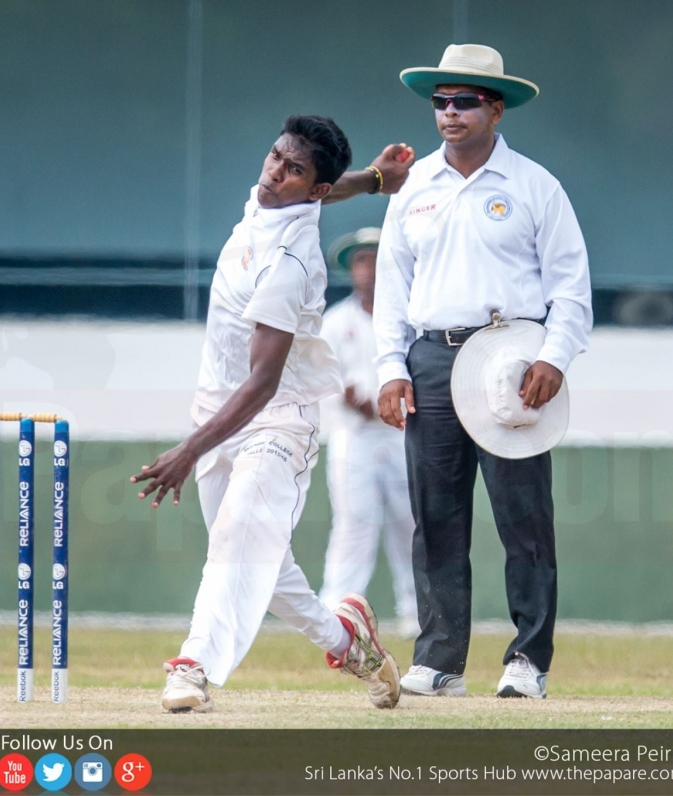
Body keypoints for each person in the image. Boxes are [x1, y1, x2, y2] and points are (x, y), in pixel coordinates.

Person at [132, 116, 413, 713]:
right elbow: (321, 190)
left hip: (276, 418)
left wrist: (188, 451)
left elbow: (262, 384)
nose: (274, 174)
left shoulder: (290, 261)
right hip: (218, 413)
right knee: (263, 564)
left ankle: (192, 667)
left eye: (293, 170)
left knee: (237, 536)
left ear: (312, 187)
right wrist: (374, 179)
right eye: (276, 157)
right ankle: (350, 643)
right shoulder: (272, 200)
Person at [367, 44, 591, 699]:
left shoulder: (534, 186)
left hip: (511, 356)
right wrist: (390, 366)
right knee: (435, 517)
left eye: (465, 101)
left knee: (524, 518)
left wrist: (554, 356)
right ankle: (439, 660)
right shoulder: (413, 188)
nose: (450, 113)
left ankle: (528, 661)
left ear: (496, 109)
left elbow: (571, 286)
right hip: (432, 355)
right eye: (441, 101)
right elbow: (392, 287)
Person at [316, 227, 419, 639]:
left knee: (411, 523)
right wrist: (347, 399)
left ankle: (417, 612)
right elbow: (321, 376)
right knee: (354, 522)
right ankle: (336, 612)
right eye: (361, 260)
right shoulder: (335, 321)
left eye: (375, 259)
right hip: (354, 435)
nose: (368, 268)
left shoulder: (409, 317)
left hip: (403, 433)